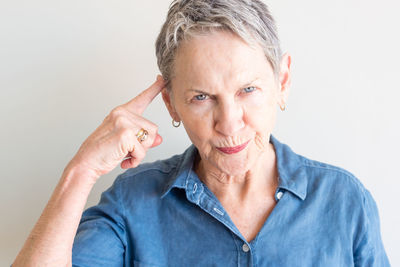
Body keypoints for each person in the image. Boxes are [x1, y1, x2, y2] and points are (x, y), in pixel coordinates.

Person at [13, 0, 390, 266]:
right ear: (172, 104)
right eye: (201, 97)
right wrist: (82, 170)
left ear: (283, 81)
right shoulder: (132, 204)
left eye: (247, 90)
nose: (229, 123)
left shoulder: (345, 201)